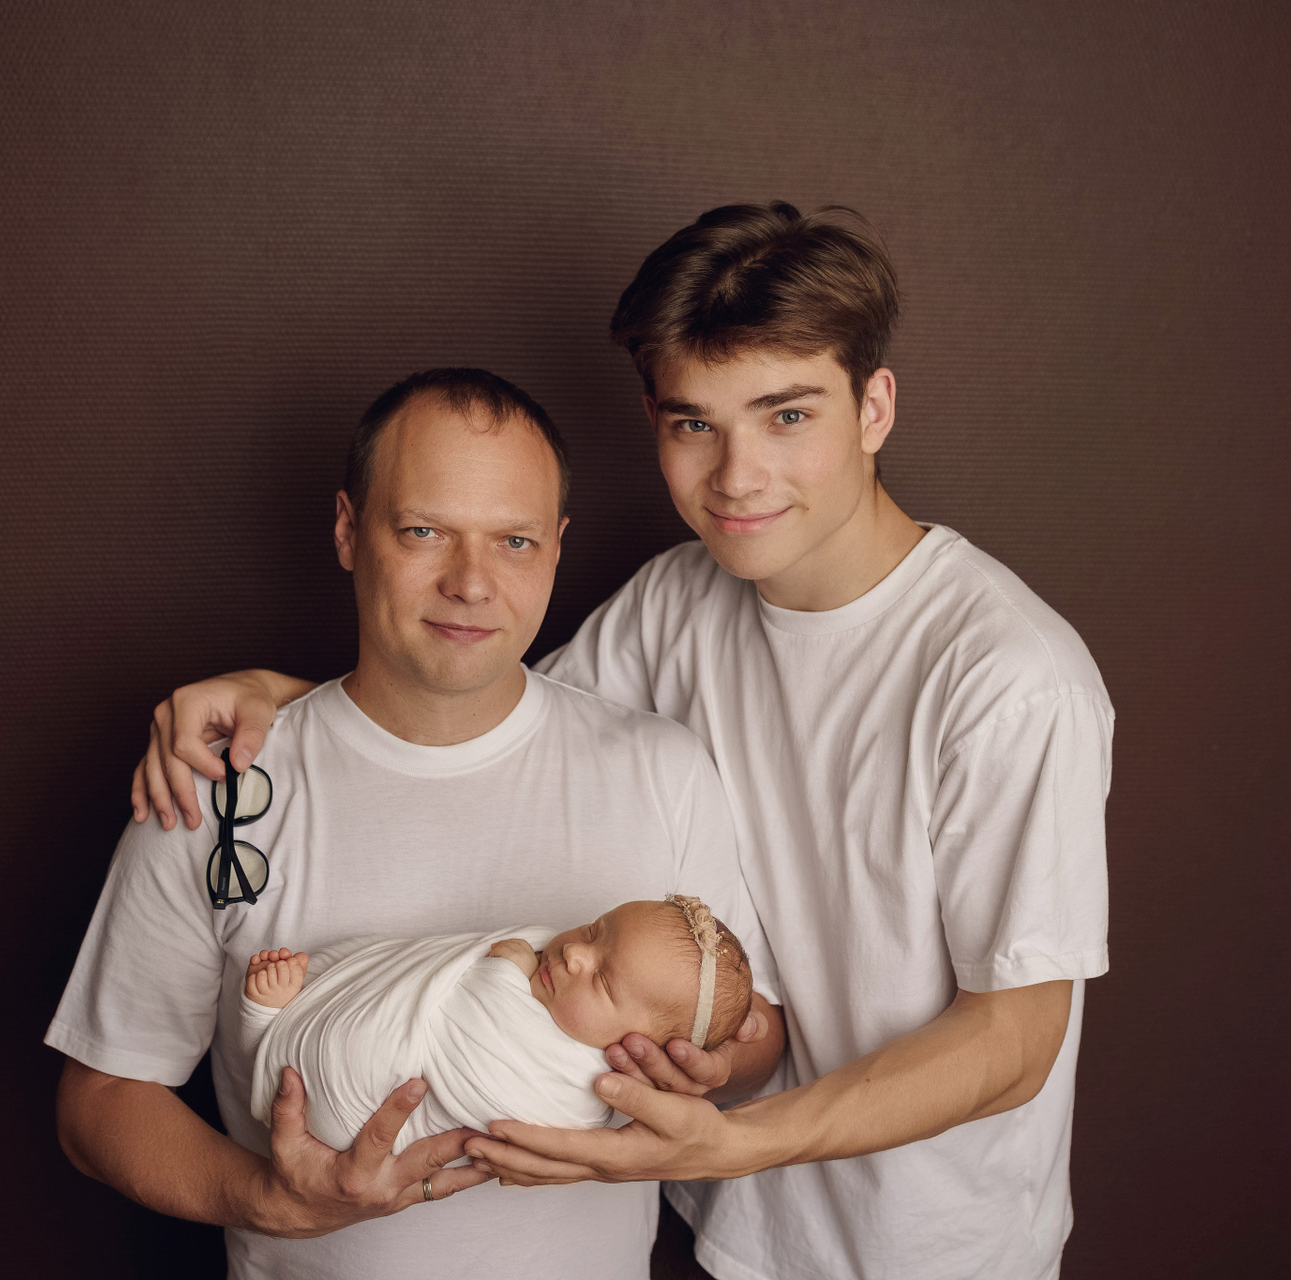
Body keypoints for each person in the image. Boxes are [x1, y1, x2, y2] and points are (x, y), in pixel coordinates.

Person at [136, 202, 1113, 1280]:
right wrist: (286, 703)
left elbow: (1016, 1040)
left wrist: (738, 1140)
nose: (737, 476)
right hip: (725, 1223)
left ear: (874, 406)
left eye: (787, 416)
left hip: (924, 1243)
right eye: (695, 424)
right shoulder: (679, 599)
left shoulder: (1010, 678)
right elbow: (476, 704)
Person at [49, 367, 782, 1280]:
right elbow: (100, 1102)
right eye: (424, 531)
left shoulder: (662, 771)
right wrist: (270, 1201)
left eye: (514, 541)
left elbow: (751, 1038)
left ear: (556, 548)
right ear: (349, 531)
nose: (471, 584)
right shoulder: (221, 785)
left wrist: (718, 1070)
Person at [236, 897, 756, 1152]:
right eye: (593, 930)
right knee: (373, 983)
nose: (574, 953)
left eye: (602, 981)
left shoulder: (576, 1088)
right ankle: (273, 1020)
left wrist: (504, 970)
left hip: (348, 1117)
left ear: (647, 1051)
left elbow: (479, 1035)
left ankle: (268, 1028)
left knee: (351, 1049)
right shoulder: (552, 969)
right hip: (343, 1048)